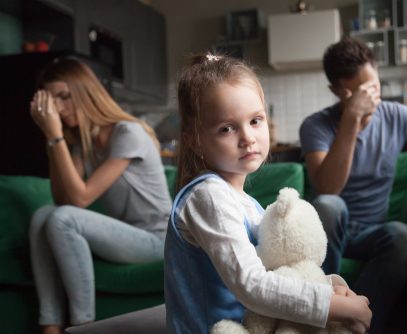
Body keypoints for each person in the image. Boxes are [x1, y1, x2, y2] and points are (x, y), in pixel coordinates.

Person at [164, 53, 372, 334]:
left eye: (255, 120)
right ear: (194, 140)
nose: (247, 137)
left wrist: (332, 289)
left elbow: (278, 271)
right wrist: (336, 307)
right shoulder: (208, 196)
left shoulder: (247, 204)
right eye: (227, 128)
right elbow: (252, 284)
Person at [299, 37, 407, 333]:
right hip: (329, 231)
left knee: (403, 235)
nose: (369, 100)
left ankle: (356, 327)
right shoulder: (316, 125)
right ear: (337, 91)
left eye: (374, 89)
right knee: (329, 204)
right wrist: (351, 119)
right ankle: (320, 317)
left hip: (371, 232)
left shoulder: (397, 117)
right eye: (358, 93)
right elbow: (328, 188)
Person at [28, 58, 172, 334]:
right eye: (53, 100)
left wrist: (55, 134)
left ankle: (84, 326)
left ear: (86, 93)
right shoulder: (87, 144)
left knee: (63, 218)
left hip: (157, 239)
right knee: (42, 216)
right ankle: (50, 325)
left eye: (65, 97)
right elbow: (62, 198)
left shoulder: (128, 132)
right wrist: (52, 139)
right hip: (125, 236)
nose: (58, 107)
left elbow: (79, 200)